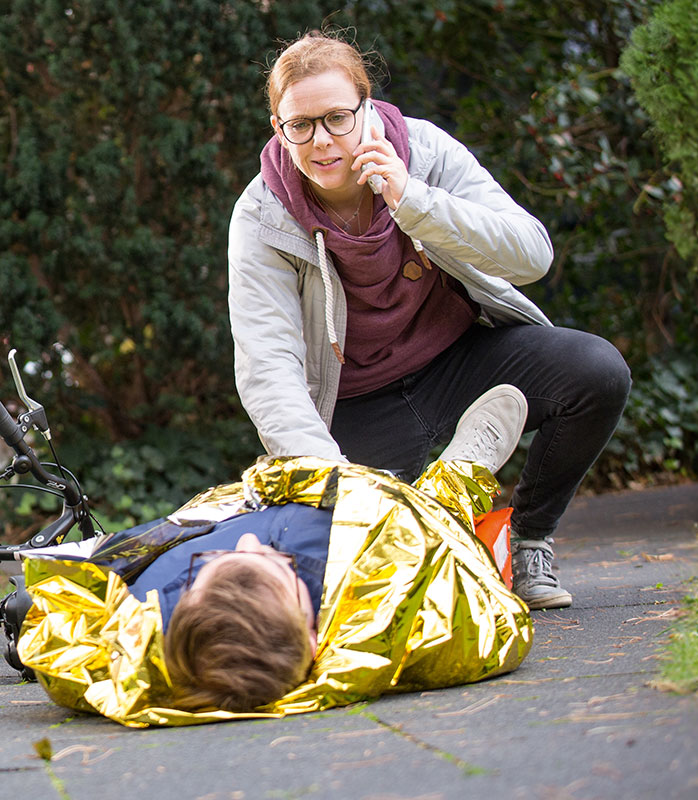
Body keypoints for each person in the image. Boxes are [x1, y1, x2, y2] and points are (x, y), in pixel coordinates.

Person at [227, 31, 632, 610]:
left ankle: (526, 540)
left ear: (365, 107)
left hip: (459, 360)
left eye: (337, 118)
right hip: (359, 402)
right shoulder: (262, 215)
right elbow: (269, 366)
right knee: (361, 573)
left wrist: (412, 200)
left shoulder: (424, 152)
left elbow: (531, 254)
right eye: (301, 125)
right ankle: (456, 510)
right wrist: (336, 482)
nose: (321, 140)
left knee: (595, 372)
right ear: (277, 127)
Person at [12, 386, 533, 725]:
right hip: (369, 535)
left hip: (272, 508)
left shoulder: (141, 639)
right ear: (313, 642)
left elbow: (63, 646)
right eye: (271, 566)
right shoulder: (358, 637)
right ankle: (462, 473)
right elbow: (494, 628)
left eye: (208, 573)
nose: (248, 546)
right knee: (432, 531)